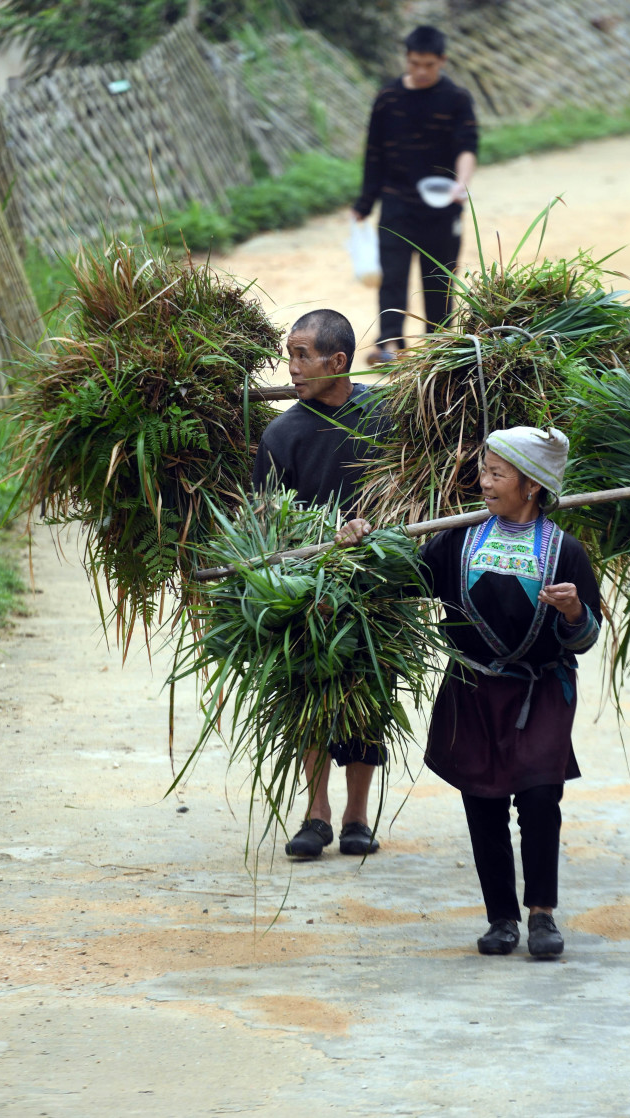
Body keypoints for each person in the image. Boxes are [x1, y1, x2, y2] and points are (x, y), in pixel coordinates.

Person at [416, 426, 601, 960]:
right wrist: (362, 543)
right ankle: (501, 918)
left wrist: (571, 612)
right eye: (484, 471)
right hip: (472, 686)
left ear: (533, 487)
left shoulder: (566, 551)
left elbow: (586, 639)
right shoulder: (458, 539)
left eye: (498, 474)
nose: (484, 483)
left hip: (539, 690)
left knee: (541, 796)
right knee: (482, 799)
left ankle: (541, 913)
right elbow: (403, 581)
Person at [251, 307, 384, 862]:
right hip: (305, 585)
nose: (293, 368)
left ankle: (357, 814)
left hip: (377, 576)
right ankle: (316, 812)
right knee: (307, 693)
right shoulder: (281, 434)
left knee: (367, 694)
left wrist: (372, 531)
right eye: (290, 355)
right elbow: (265, 520)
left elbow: (411, 486)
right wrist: (323, 535)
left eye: (304, 356)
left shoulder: (386, 416)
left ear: (339, 361)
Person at [354, 24, 478, 365]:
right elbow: (374, 153)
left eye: (429, 65)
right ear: (406, 59)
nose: (421, 71)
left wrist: (461, 184)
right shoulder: (388, 98)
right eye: (414, 63)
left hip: (442, 207)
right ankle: (390, 344)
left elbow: (467, 146)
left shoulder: (456, 99)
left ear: (442, 60)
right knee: (392, 277)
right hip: (397, 203)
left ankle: (439, 348)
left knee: (439, 280)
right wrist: (364, 203)